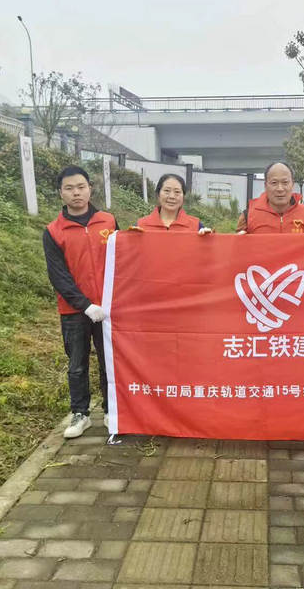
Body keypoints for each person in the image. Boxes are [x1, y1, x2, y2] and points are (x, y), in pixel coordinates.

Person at [43, 165, 118, 439]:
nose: (76, 193)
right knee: (77, 363)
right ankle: (80, 413)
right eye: (69, 188)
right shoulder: (54, 231)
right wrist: (85, 305)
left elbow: (124, 257)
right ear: (60, 193)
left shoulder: (108, 222)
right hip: (74, 311)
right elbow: (58, 276)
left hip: (108, 308)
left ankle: (111, 410)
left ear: (90, 189)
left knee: (110, 361)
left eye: (81, 187)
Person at [236, 161, 304, 233]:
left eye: (285, 182)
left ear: (292, 185)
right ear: (265, 186)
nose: (280, 189)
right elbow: (236, 244)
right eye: (274, 183)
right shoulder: (248, 216)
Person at [136, 173, 211, 233]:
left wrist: (207, 239)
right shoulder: (141, 225)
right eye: (167, 191)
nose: (172, 196)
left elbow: (210, 247)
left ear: (183, 196)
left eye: (177, 192)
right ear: (158, 194)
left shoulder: (196, 226)